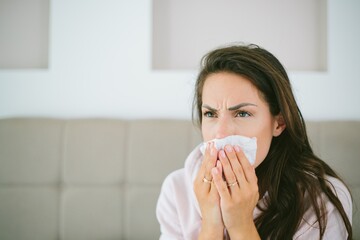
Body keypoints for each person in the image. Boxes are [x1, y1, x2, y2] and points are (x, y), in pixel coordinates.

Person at [156, 44, 352, 239]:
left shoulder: (322, 202)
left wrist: (241, 225)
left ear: (279, 123)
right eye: (210, 113)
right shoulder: (177, 189)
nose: (221, 133)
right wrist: (211, 224)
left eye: (242, 113)